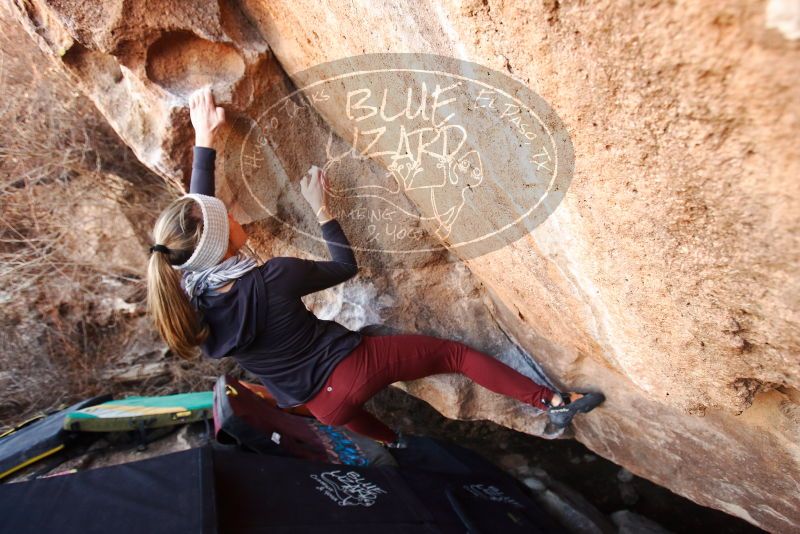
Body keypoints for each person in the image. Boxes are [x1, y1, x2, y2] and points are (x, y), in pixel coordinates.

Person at [146, 86, 604, 447]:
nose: (232, 209)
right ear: (221, 241)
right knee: (455, 356)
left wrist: (204, 138)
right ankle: (554, 401)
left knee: (361, 420)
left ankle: (396, 444)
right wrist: (321, 210)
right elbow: (345, 266)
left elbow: (199, 227)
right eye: (227, 215)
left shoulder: (190, 298)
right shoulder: (276, 277)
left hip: (321, 408)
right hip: (351, 371)